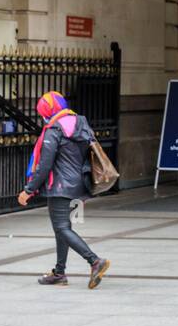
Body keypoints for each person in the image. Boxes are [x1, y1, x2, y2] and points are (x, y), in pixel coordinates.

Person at [17, 90, 110, 288]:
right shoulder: (80, 124)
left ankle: (94, 261)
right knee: (63, 229)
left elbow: (45, 164)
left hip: (60, 186)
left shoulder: (54, 130)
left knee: (61, 228)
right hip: (79, 186)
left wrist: (29, 189)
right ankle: (59, 273)